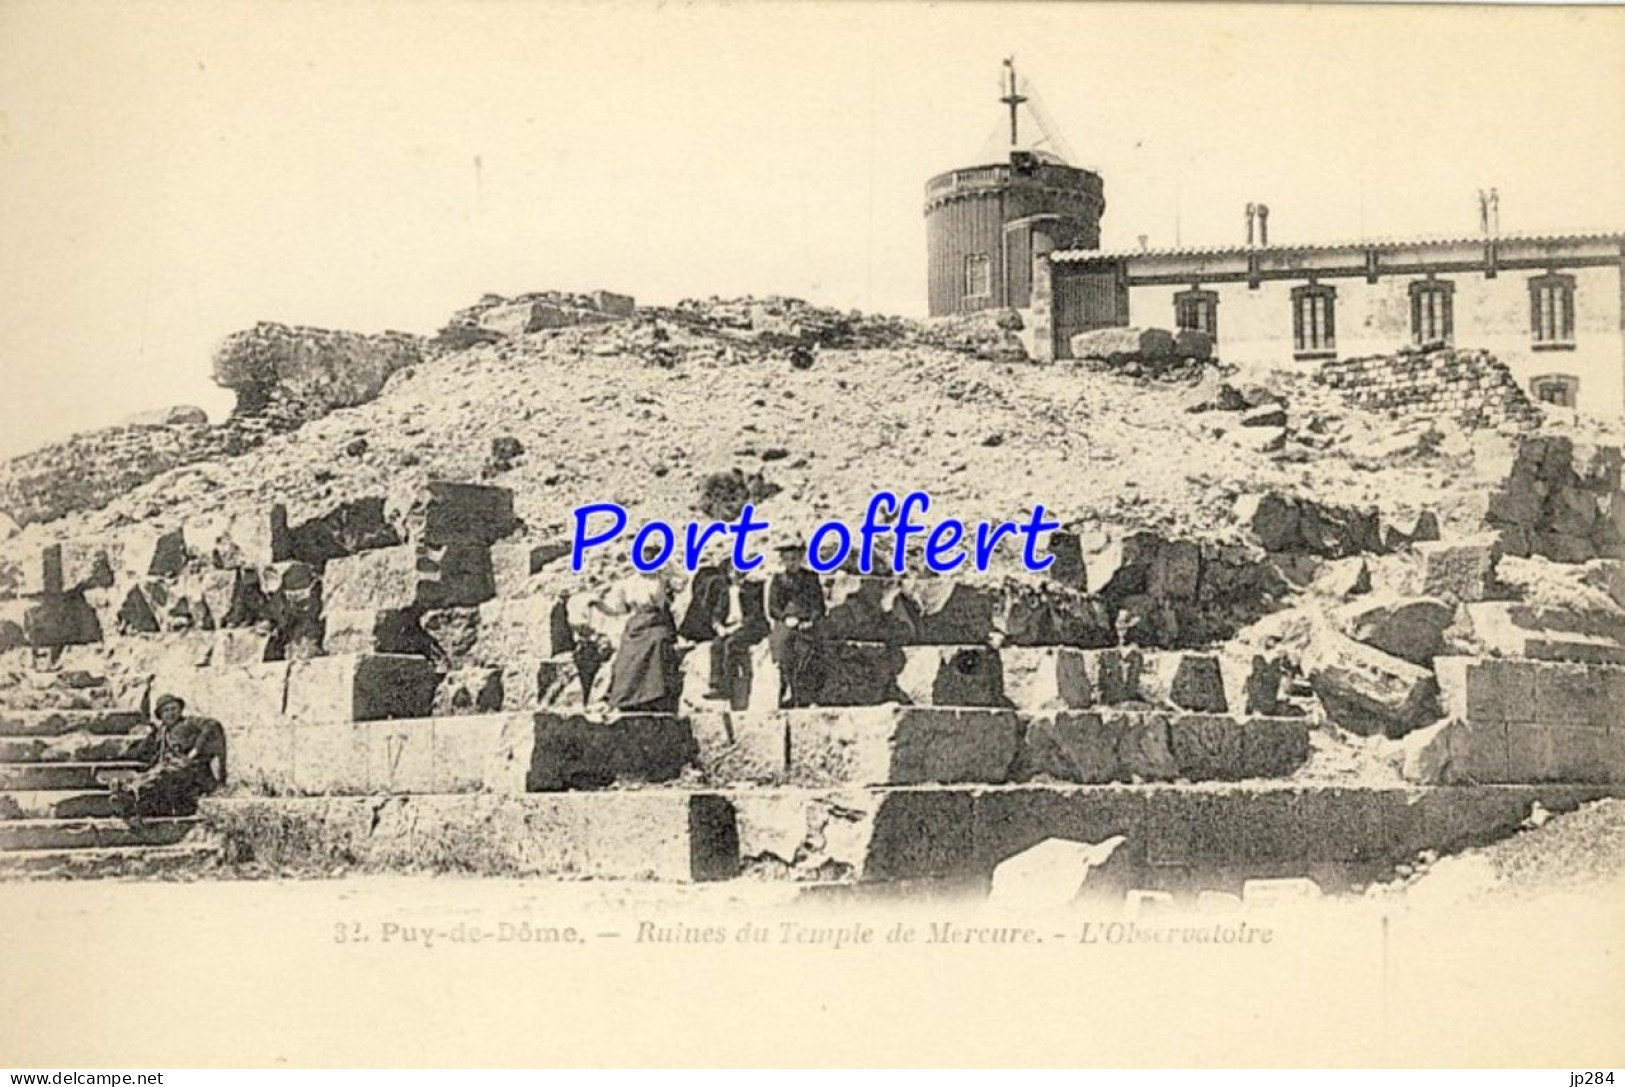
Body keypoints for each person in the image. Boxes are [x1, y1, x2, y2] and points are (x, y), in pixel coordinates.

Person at [589, 548, 685, 713]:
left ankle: (653, 696)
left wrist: (669, 566)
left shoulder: (662, 580)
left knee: (658, 643)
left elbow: (683, 581)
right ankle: (627, 698)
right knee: (627, 653)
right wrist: (599, 605)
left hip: (658, 622)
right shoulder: (628, 584)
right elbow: (618, 611)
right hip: (636, 625)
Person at [104, 694, 227, 820]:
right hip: (171, 777)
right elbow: (144, 750)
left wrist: (194, 751)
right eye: (166, 710)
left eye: (174, 709)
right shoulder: (161, 732)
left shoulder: (189, 723)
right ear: (161, 716)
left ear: (180, 710)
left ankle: (129, 792)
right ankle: (129, 800)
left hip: (191, 774)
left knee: (162, 774)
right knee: (156, 776)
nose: (171, 713)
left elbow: (212, 725)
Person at [698, 562, 769, 705]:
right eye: (732, 572)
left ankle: (727, 685)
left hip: (749, 627)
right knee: (716, 645)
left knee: (732, 644)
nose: (735, 575)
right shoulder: (726, 592)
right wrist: (718, 625)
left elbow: (754, 615)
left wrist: (736, 627)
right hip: (730, 627)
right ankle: (716, 684)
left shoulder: (750, 590)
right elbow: (717, 613)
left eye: (738, 572)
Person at [767, 538, 826, 708]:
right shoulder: (778, 580)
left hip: (807, 622)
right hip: (786, 622)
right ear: (783, 561)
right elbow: (773, 607)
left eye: (795, 558)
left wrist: (811, 620)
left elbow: (818, 604)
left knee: (807, 651)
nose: (792, 563)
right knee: (783, 648)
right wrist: (785, 619)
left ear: (801, 558)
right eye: (788, 559)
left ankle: (806, 695)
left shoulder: (811, 578)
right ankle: (788, 690)